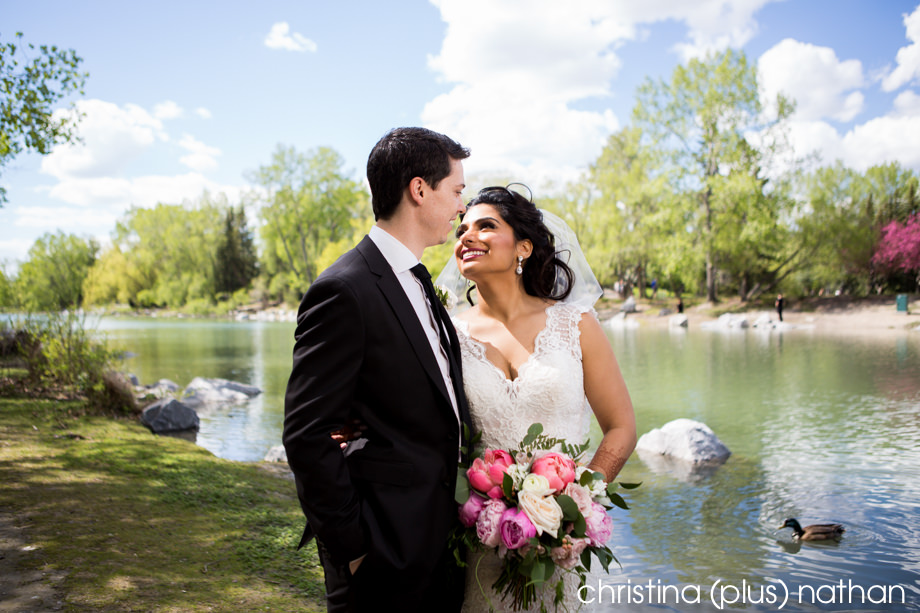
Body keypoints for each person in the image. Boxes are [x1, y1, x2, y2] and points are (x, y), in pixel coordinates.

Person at [283, 127, 473, 612]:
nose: (461, 207)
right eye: (456, 191)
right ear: (419, 189)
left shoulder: (417, 279)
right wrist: (355, 549)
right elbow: (306, 434)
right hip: (382, 555)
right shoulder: (345, 290)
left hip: (435, 546)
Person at [436, 185, 637, 612]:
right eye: (461, 230)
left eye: (486, 226)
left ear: (523, 247)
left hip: (559, 547)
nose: (466, 237)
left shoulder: (574, 324)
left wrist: (578, 503)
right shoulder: (445, 336)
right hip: (484, 542)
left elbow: (620, 426)